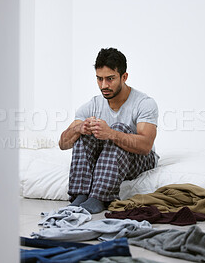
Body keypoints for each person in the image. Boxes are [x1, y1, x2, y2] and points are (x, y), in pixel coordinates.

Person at [59, 47, 159, 214]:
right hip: (106, 160)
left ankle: (100, 197)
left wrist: (111, 133)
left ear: (124, 77)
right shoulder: (92, 105)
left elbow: (146, 146)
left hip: (139, 159)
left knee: (117, 129)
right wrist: (79, 129)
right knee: (83, 132)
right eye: (99, 79)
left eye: (110, 79)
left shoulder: (144, 103)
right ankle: (81, 195)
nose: (104, 85)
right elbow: (63, 143)